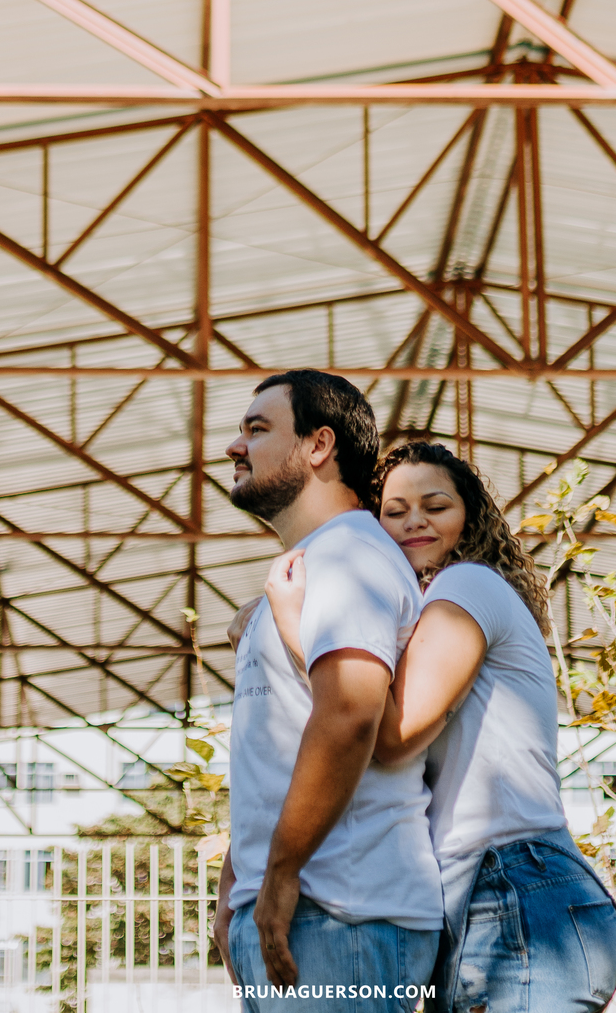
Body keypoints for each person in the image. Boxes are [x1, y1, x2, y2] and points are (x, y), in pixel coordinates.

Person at [264, 439, 616, 1013]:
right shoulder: (421, 617)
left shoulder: (468, 586)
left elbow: (389, 735)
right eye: (395, 510)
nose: (414, 523)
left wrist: (293, 626)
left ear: (471, 516)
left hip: (514, 888)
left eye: (435, 506)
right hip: (482, 901)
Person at [215, 372, 443, 998]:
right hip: (299, 915)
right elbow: (279, 742)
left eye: (257, 430)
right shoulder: (307, 570)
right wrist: (236, 892)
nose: (235, 447)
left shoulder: (349, 557)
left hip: (342, 916)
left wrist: (280, 879)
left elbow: (348, 715)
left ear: (318, 446)